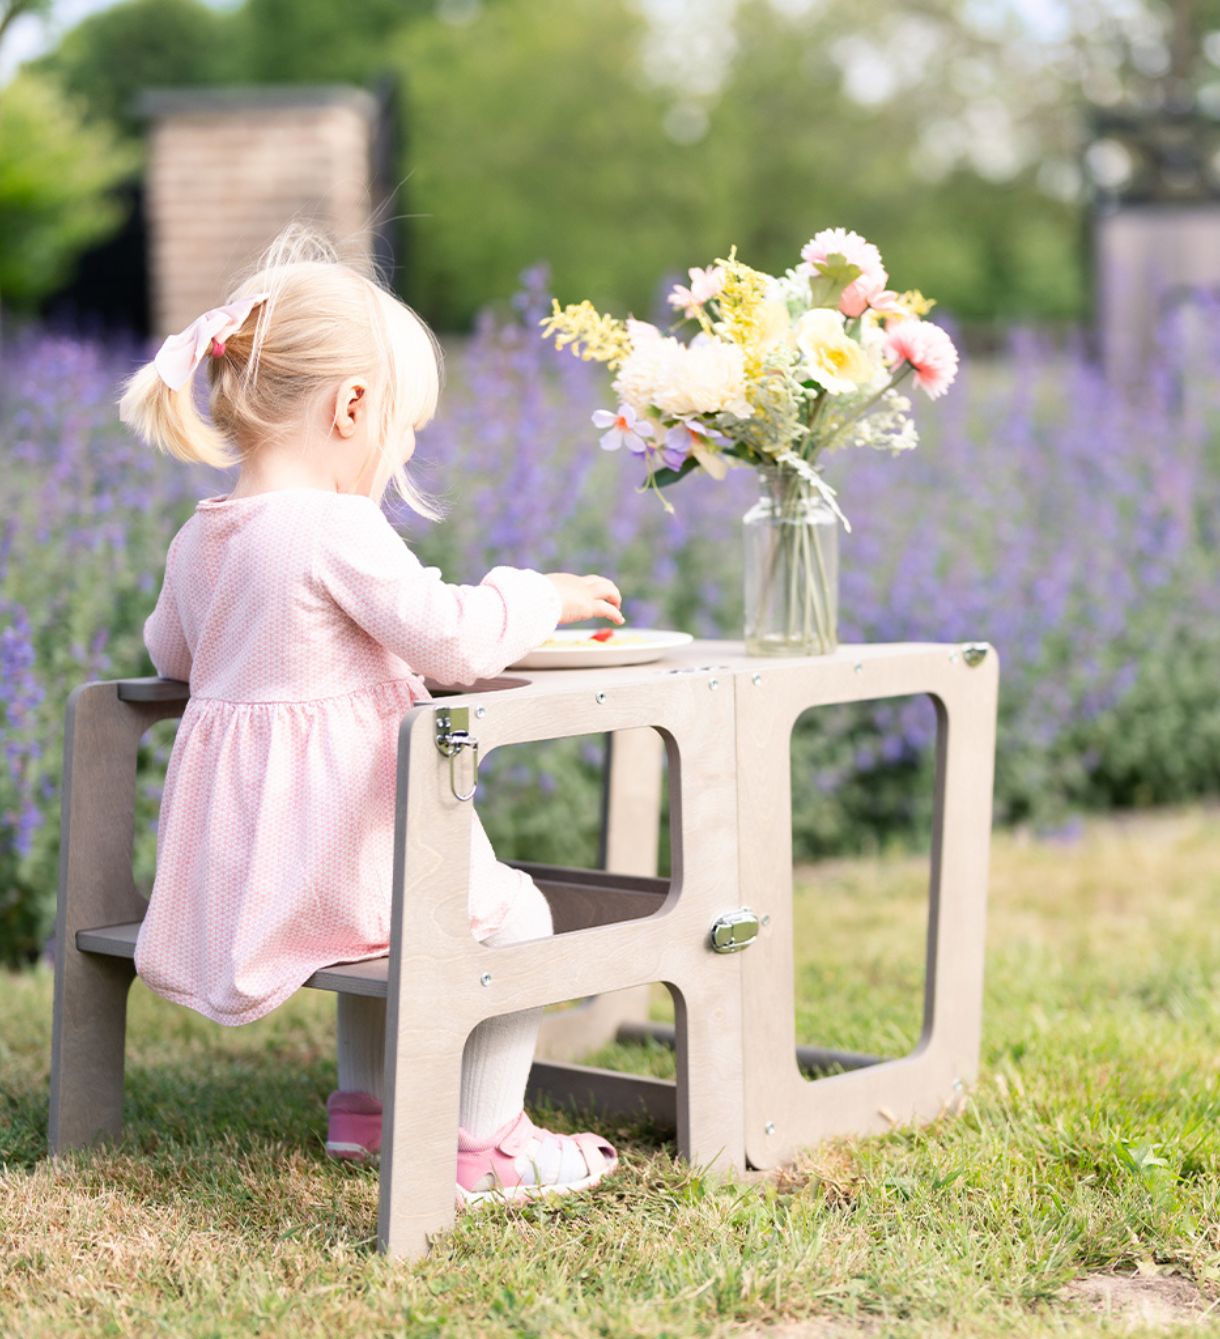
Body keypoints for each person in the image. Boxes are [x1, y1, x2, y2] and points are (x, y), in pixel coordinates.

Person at [118, 225, 623, 1205]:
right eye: (406, 430)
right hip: (339, 851)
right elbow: (451, 641)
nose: (402, 450)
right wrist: (537, 594)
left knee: (372, 921)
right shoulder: (339, 527)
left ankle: (368, 1111)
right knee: (516, 914)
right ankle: (485, 1148)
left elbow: (169, 656)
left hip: (249, 872)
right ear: (352, 406)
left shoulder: (204, 534)